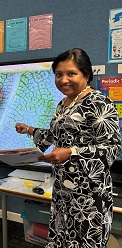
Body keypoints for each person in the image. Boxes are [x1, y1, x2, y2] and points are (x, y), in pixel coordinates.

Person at [15, 48, 122, 247]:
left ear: (86, 74)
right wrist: (29, 130)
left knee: (84, 241)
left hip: (89, 195)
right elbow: (56, 136)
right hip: (63, 189)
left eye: (71, 73)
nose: (64, 80)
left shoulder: (98, 102)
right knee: (62, 239)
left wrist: (71, 153)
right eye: (58, 74)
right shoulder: (63, 104)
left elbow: (111, 148)